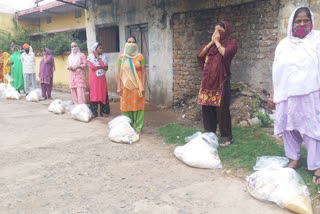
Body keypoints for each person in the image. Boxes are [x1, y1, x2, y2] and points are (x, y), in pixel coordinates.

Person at [268, 7, 320, 185]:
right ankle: (294, 158)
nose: (302, 24)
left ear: (311, 22)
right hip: (286, 94)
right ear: (292, 23)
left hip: (311, 93)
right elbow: (276, 71)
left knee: (312, 130)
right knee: (288, 128)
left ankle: (317, 165)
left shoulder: (318, 40)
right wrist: (273, 94)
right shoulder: (283, 44)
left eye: (306, 20)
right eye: (298, 21)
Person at [197, 21, 237, 147]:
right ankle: (210, 134)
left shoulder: (231, 43)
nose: (217, 33)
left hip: (221, 82)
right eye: (215, 30)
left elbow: (226, 54)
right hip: (207, 82)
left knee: (222, 110)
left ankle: (226, 138)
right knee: (207, 108)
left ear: (226, 31)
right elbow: (200, 54)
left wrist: (218, 42)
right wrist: (211, 42)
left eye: (220, 31)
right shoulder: (211, 46)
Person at [117, 36, 146, 135]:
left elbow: (144, 72)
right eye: (129, 42)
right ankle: (127, 127)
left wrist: (143, 85)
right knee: (126, 107)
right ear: (125, 43)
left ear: (136, 44)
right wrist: (118, 86)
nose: (131, 44)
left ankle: (138, 128)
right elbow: (119, 73)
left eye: (133, 42)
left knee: (138, 107)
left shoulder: (140, 57)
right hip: (125, 87)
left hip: (137, 87)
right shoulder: (122, 57)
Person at [87, 42, 110, 117]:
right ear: (95, 49)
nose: (101, 49)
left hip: (102, 78)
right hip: (94, 79)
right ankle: (94, 112)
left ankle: (104, 111)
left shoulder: (104, 57)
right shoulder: (90, 57)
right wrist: (100, 66)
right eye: (99, 48)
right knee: (94, 93)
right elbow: (92, 67)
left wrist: (98, 58)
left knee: (102, 93)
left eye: (102, 48)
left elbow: (105, 67)